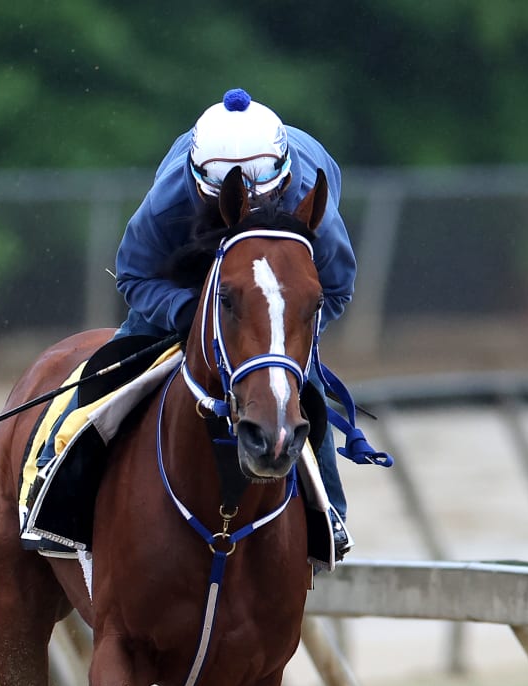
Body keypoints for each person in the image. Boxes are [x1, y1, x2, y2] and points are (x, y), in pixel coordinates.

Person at [114, 87, 362, 557]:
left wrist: (279, 339)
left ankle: (328, 512)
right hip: (189, 282)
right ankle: (55, 471)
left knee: (298, 383)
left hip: (277, 292)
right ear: (200, 185)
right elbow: (133, 274)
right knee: (115, 365)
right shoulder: (169, 201)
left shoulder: (311, 195)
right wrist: (192, 316)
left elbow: (337, 287)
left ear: (284, 184)